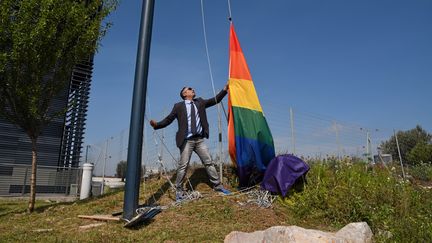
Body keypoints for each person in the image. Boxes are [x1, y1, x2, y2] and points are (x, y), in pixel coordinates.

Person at [149, 85, 231, 202]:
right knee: (183, 165)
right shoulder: (178, 106)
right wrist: (157, 125)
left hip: (199, 140)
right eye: (190, 89)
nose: (193, 89)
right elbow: (169, 119)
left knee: (208, 162)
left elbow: (214, 100)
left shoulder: (200, 102)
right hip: (186, 140)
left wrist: (224, 90)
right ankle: (179, 191)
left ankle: (218, 186)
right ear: (184, 94)